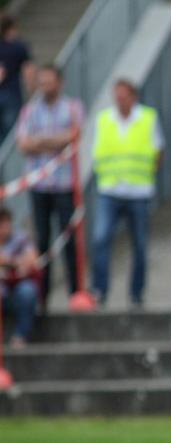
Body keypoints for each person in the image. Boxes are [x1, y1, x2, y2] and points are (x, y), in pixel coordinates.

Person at [91, 79, 164, 309]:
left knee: (140, 245)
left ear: (133, 97)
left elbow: (158, 152)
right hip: (110, 189)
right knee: (100, 239)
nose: (119, 100)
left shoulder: (148, 118)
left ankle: (136, 294)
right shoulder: (104, 120)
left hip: (138, 191)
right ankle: (99, 291)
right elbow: (97, 153)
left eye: (123, 95)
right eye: (117, 95)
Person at [16, 64, 82, 309]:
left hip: (64, 184)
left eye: (49, 82)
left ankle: (76, 294)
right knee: (42, 241)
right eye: (41, 82)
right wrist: (54, 141)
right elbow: (23, 145)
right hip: (39, 185)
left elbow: (73, 137)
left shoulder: (72, 108)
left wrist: (40, 140)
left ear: (59, 83)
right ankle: (42, 298)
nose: (44, 86)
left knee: (69, 240)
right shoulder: (30, 111)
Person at [0, 207, 39, 348]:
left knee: (27, 291)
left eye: (7, 223)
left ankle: (20, 336)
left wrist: (9, 261)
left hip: (16, 291)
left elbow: (32, 259)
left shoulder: (20, 239)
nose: (5, 228)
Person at [0, 15, 33, 141]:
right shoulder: (19, 47)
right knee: (11, 136)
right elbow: (28, 72)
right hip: (12, 96)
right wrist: (31, 93)